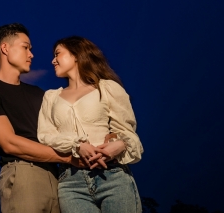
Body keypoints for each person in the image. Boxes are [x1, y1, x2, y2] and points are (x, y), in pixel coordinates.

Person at [0, 23, 92, 213]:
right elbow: (9, 143)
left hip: (58, 176)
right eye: (25, 47)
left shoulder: (40, 94)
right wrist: (70, 158)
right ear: (5, 48)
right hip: (24, 173)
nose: (31, 54)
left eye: (31, 49)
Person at [37, 36, 144, 213]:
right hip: (71, 183)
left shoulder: (107, 88)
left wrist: (117, 146)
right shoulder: (51, 97)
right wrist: (77, 146)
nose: (53, 60)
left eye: (58, 54)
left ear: (77, 55)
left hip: (113, 175)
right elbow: (46, 135)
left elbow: (127, 131)